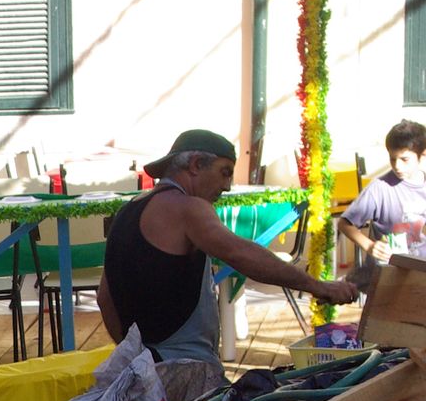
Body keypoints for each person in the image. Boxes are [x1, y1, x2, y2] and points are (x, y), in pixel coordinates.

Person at [98, 128, 359, 365]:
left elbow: (104, 298)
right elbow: (241, 254)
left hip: (138, 365)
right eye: (224, 172)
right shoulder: (189, 208)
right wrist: (318, 286)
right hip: (183, 367)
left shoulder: (127, 210)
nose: (227, 186)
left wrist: (136, 356)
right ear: (196, 164)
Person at [338, 120, 426, 284]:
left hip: (419, 273)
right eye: (393, 159)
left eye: (404, 159)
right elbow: (344, 223)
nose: (397, 166)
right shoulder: (379, 188)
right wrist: (370, 246)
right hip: (386, 276)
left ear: (422, 155)